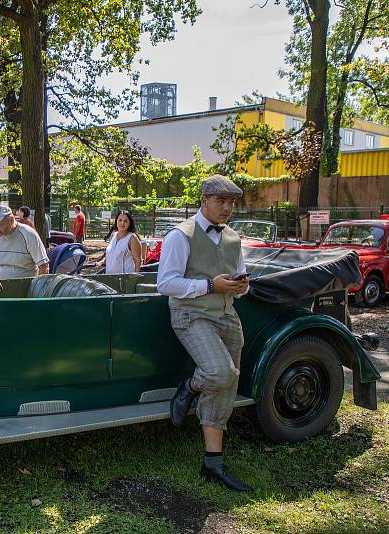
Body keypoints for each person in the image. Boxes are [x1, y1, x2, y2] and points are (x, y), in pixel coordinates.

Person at [157, 174, 252, 493]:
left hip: (226, 315)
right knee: (220, 372)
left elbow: (237, 282)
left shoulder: (233, 237)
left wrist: (240, 286)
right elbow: (166, 284)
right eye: (221, 201)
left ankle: (212, 462)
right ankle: (190, 385)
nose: (227, 208)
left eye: (232, 203)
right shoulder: (180, 235)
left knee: (227, 384)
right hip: (190, 314)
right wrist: (210, 285)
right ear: (204, 201)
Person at [0, 205, 49, 279]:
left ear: (11, 220)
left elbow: (43, 266)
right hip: (2, 286)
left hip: (27, 287)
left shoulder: (29, 234)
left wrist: (39, 288)